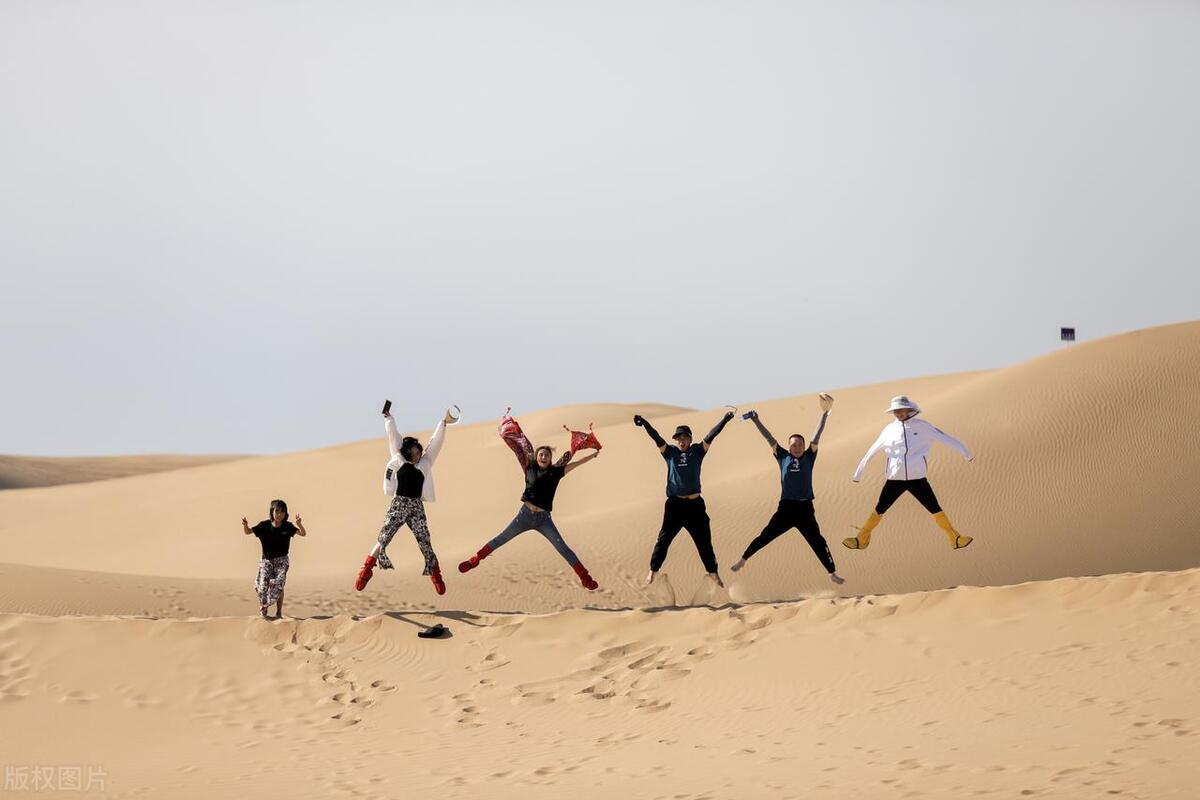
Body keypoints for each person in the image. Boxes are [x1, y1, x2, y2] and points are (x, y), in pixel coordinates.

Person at [459, 413, 601, 590]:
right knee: (501, 538)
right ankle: (474, 560)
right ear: (537, 456)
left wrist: (592, 456)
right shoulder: (529, 468)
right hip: (524, 516)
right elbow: (520, 449)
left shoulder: (556, 473)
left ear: (550, 459)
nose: (543, 457)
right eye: (541, 454)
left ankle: (585, 578)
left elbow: (577, 462)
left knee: (563, 548)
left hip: (544, 520)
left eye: (546, 455)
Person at [730, 394, 844, 584]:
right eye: (793, 445)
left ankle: (832, 573)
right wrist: (756, 420)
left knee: (818, 541)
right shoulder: (782, 456)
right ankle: (743, 560)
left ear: (804, 446)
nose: (797, 447)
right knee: (765, 536)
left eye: (800, 444)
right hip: (786, 509)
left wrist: (825, 414)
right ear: (789, 447)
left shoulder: (809, 456)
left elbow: (817, 435)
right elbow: (769, 437)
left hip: (805, 509)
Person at [844, 395, 974, 551]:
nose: (898, 413)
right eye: (895, 411)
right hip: (895, 479)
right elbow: (872, 449)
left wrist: (966, 453)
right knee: (880, 508)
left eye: (901, 410)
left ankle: (955, 538)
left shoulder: (923, 426)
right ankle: (861, 540)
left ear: (909, 409)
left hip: (917, 478)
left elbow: (945, 438)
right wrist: (858, 473)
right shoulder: (889, 429)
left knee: (934, 507)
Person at [355, 405, 457, 595]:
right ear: (406, 452)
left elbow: (435, 444)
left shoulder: (425, 463)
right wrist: (388, 418)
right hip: (399, 504)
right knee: (384, 537)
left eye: (419, 451)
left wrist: (443, 423)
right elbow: (393, 436)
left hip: (416, 507)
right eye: (415, 452)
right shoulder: (398, 459)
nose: (418, 454)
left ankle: (436, 574)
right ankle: (366, 569)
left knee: (425, 541)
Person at [634, 409, 735, 588]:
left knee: (704, 541)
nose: (681, 441)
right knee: (663, 540)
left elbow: (711, 435)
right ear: (675, 440)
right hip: (675, 505)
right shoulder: (669, 452)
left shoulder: (698, 451)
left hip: (695, 506)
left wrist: (725, 420)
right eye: (678, 438)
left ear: (690, 439)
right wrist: (645, 423)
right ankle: (653, 570)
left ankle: (713, 572)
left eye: (684, 438)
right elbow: (656, 437)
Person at [242, 499, 306, 619]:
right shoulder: (264, 526)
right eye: (277, 511)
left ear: (285, 513)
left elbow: (303, 533)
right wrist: (245, 525)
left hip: (282, 561)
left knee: (278, 585)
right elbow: (248, 532)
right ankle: (263, 612)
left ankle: (278, 613)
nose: (279, 514)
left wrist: (299, 524)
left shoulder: (288, 526)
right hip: (266, 561)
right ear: (272, 512)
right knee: (262, 587)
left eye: (282, 512)